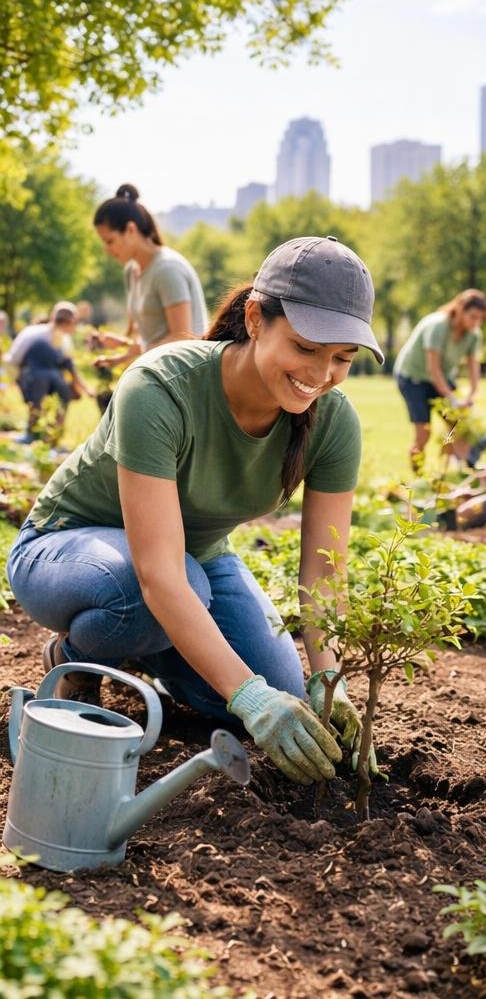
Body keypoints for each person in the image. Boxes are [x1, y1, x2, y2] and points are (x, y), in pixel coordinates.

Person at [6, 236, 382, 786]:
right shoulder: (160, 386)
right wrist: (247, 694)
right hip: (66, 550)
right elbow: (159, 573)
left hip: (192, 564)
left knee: (280, 690)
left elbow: (324, 574)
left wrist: (329, 685)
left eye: (343, 358)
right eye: (306, 347)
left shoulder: (333, 421)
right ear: (255, 319)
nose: (321, 374)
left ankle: (150, 646)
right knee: (162, 600)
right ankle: (76, 654)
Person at [91, 184, 207, 369]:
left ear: (130, 230)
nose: (107, 250)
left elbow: (182, 337)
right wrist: (121, 352)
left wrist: (134, 349)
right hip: (160, 369)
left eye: (110, 241)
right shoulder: (131, 271)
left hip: (186, 374)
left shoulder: (167, 269)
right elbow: (153, 339)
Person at [393, 289, 486, 471]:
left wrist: (472, 395)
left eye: (480, 319)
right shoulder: (438, 326)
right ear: (460, 309)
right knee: (424, 432)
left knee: (457, 424)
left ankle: (445, 469)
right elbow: (433, 369)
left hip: (442, 378)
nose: (476, 323)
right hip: (413, 378)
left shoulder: (474, 334)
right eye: (472, 317)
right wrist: (452, 398)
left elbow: (474, 367)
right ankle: (418, 476)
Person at [9, 302, 85, 442]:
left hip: (53, 379)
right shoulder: (33, 334)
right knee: (37, 401)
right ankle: (32, 434)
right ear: (68, 322)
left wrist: (76, 385)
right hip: (32, 376)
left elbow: (68, 365)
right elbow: (14, 359)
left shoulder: (65, 340)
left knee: (61, 400)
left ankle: (51, 435)